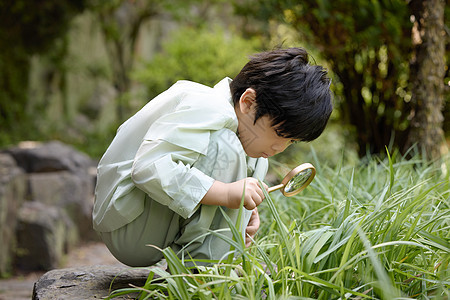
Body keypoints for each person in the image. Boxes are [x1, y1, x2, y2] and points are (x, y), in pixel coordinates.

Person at [92, 47, 333, 267]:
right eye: (280, 133)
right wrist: (227, 194)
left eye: (291, 141)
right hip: (128, 224)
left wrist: (245, 214)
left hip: (150, 225)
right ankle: (203, 277)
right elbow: (148, 167)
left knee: (258, 161)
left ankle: (207, 269)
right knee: (226, 147)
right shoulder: (208, 105)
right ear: (248, 102)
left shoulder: (245, 141)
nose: (282, 147)